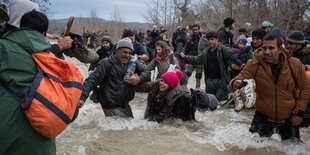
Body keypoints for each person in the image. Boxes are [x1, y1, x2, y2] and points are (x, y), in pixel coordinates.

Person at [229, 33, 310, 142]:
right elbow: (240, 78)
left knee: (295, 150)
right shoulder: (254, 63)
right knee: (250, 149)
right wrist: (235, 83)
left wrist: (299, 113)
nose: (267, 52)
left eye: (271, 48)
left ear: (280, 49)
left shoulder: (294, 64)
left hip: (289, 118)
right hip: (262, 117)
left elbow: (305, 88)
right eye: (264, 48)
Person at [0, 10, 55, 154]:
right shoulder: (52, 57)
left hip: (6, 132)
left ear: (20, 26)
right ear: (44, 33)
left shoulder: (3, 47)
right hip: (44, 132)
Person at [78, 38, 151, 118]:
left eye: (129, 53)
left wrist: (139, 79)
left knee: (130, 127)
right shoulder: (106, 63)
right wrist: (82, 97)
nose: (127, 55)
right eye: (125, 52)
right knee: (123, 128)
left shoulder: (132, 61)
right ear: (117, 50)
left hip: (124, 104)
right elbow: (92, 80)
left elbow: (147, 71)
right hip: (110, 105)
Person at [136, 71, 218, 122]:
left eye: (165, 82)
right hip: (151, 114)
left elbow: (161, 116)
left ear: (171, 86)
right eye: (161, 80)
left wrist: (143, 122)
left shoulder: (172, 98)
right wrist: (136, 81)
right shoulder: (158, 83)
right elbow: (145, 86)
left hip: (170, 121)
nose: (161, 83)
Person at [181, 32, 232, 101]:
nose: (210, 41)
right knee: (210, 103)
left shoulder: (223, 50)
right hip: (209, 81)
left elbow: (231, 63)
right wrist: (185, 57)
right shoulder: (206, 51)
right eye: (208, 40)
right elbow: (198, 59)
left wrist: (229, 80)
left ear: (217, 40)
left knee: (220, 102)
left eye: (212, 39)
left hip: (221, 81)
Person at [286, 30, 310, 127]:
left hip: (306, 98)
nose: (288, 45)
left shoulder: (308, 56)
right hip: (292, 96)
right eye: (288, 42)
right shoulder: (288, 55)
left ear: (299, 44)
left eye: (291, 43)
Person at [88, 35, 114, 103]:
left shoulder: (114, 51)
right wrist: (91, 69)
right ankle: (96, 93)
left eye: (106, 43)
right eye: (103, 43)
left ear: (109, 43)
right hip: (101, 70)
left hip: (113, 71)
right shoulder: (99, 51)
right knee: (91, 78)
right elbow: (94, 62)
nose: (105, 45)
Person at [183, 24, 204, 90]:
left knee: (198, 78)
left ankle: (197, 91)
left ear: (199, 29)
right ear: (192, 30)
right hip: (190, 59)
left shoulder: (203, 38)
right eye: (193, 30)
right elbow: (186, 49)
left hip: (200, 60)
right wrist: (185, 58)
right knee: (187, 76)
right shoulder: (189, 38)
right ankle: (184, 90)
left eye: (196, 29)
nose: (195, 31)